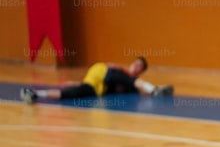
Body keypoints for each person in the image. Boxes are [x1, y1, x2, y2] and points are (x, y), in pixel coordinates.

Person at [20, 57, 173, 104]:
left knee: (69, 93)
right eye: (136, 63)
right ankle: (154, 90)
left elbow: (81, 86)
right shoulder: (122, 73)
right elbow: (134, 83)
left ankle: (35, 94)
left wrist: (73, 83)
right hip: (101, 73)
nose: (136, 67)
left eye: (140, 66)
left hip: (95, 80)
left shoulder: (128, 80)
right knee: (70, 93)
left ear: (142, 71)